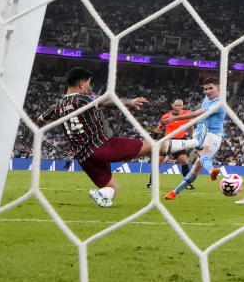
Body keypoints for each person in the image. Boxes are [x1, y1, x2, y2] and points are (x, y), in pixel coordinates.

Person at [36, 67, 201, 208]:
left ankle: (102, 196)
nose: (89, 87)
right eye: (88, 83)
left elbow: (41, 120)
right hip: (102, 146)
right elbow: (105, 101)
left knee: (111, 187)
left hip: (84, 157)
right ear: (81, 83)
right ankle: (196, 142)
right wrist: (129, 102)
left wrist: (47, 128)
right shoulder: (83, 98)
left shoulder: (57, 106)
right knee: (154, 146)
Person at [164, 76, 227, 200]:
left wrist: (175, 118)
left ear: (218, 87)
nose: (207, 91)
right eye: (205, 89)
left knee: (200, 151)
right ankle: (174, 193)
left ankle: (211, 170)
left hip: (212, 135)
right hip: (201, 132)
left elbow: (196, 114)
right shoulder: (207, 98)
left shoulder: (219, 103)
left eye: (210, 88)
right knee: (195, 170)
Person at [146, 99, 192, 189]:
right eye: (176, 105)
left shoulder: (187, 114)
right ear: (173, 106)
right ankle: (151, 183)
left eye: (179, 106)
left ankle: (188, 184)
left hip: (180, 141)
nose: (177, 107)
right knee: (158, 161)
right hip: (167, 140)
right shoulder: (166, 116)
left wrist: (191, 136)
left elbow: (191, 126)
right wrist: (154, 138)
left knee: (183, 160)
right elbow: (159, 128)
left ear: (182, 106)